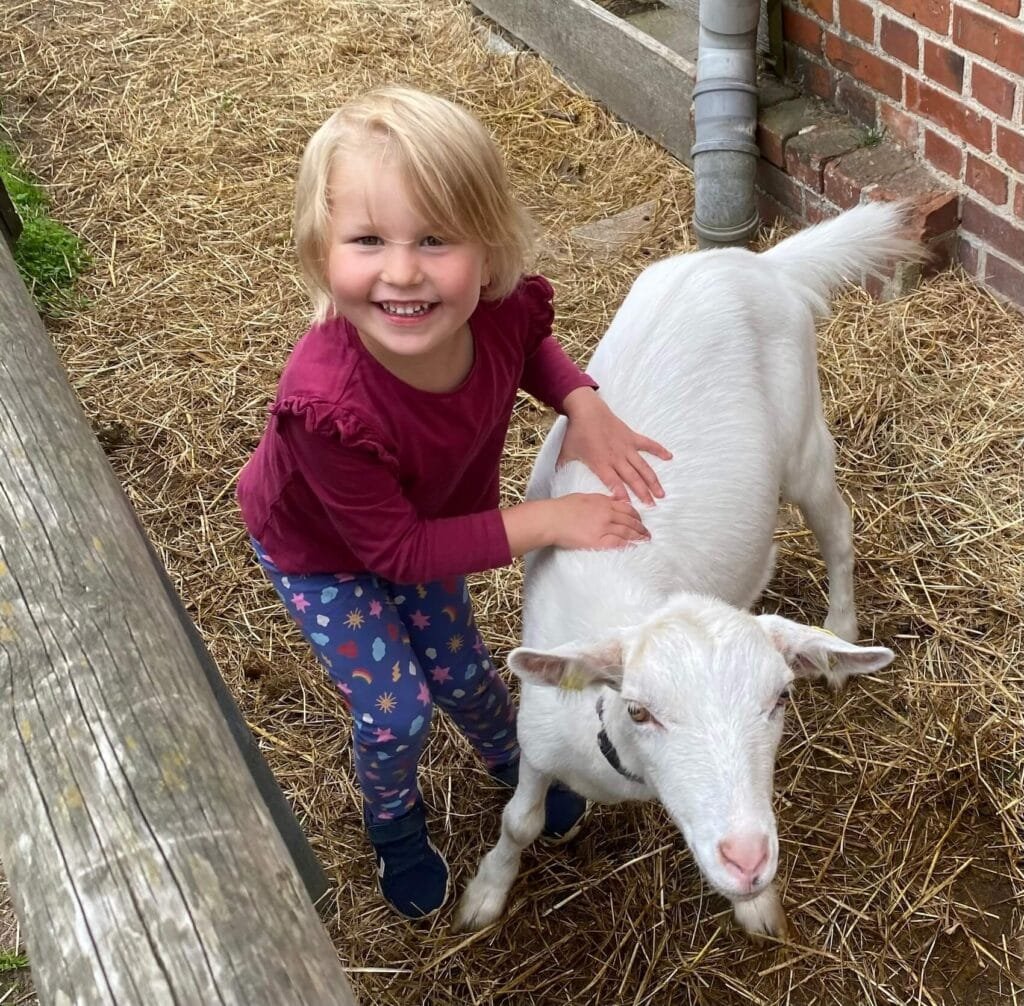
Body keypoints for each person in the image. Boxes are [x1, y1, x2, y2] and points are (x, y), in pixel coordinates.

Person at [237, 86, 671, 920]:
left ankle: (514, 762)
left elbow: (532, 348)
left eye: (434, 239)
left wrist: (583, 402)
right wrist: (550, 520)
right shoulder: (329, 404)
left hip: (429, 528)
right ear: (321, 249)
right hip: (324, 554)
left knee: (466, 670)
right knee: (396, 708)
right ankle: (395, 823)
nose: (402, 271)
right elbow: (394, 556)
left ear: (488, 244)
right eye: (368, 240)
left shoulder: (496, 311)